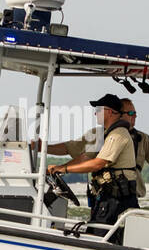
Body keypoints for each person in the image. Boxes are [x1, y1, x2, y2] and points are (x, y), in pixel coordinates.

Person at [36, 97, 149, 199]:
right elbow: (75, 151)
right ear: (119, 114)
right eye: (130, 113)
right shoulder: (98, 135)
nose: (134, 117)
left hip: (124, 196)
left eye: (135, 113)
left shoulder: (137, 138)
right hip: (103, 194)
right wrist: (43, 148)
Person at [47, 94, 139, 239]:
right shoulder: (106, 135)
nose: (96, 113)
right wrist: (59, 167)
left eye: (98, 110)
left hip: (116, 202)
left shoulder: (118, 134)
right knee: (92, 233)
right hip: (106, 200)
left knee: (99, 238)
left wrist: (64, 169)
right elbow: (85, 157)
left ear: (109, 112)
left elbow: (98, 163)